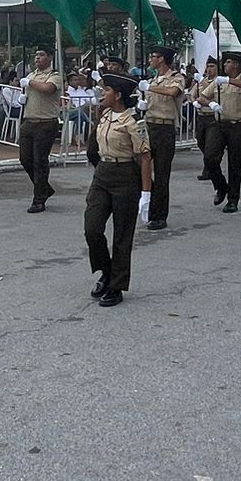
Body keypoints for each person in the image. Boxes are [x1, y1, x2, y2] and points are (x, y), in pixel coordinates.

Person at [83, 72, 153, 307]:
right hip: (103, 173)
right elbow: (94, 146)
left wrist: (146, 193)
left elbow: (145, 157)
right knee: (92, 228)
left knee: (122, 235)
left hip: (125, 175)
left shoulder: (134, 122)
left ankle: (117, 285)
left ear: (118, 95)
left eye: (107, 90)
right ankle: (106, 270)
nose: (103, 93)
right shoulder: (104, 114)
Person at [141, 46, 185, 230]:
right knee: (140, 167)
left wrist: (150, 88)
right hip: (149, 125)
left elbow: (173, 92)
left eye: (153, 56)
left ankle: (159, 215)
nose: (150, 59)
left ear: (161, 59)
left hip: (165, 127)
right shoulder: (153, 79)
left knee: (161, 172)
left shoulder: (176, 77)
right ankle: (150, 204)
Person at [205, 51, 241, 212]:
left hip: (238, 125)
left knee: (234, 164)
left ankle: (233, 199)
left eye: (228, 62)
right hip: (220, 124)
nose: (225, 65)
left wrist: (229, 81)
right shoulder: (219, 81)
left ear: (237, 65)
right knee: (210, 158)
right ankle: (221, 186)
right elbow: (203, 96)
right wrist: (211, 104)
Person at [18, 49, 62, 212]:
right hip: (29, 120)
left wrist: (29, 83)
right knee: (25, 159)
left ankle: (39, 199)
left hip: (46, 123)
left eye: (42, 55)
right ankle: (44, 188)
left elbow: (48, 88)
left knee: (39, 161)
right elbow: (29, 92)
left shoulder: (54, 75)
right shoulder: (31, 75)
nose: (37, 58)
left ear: (50, 57)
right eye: (36, 55)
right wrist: (23, 98)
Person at [192, 58, 219, 179]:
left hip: (213, 116)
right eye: (208, 66)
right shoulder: (201, 81)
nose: (209, 69)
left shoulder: (219, 81)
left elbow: (211, 92)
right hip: (201, 116)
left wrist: (202, 81)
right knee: (200, 142)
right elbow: (192, 94)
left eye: (212, 66)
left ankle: (208, 170)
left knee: (210, 146)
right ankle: (211, 165)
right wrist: (194, 102)